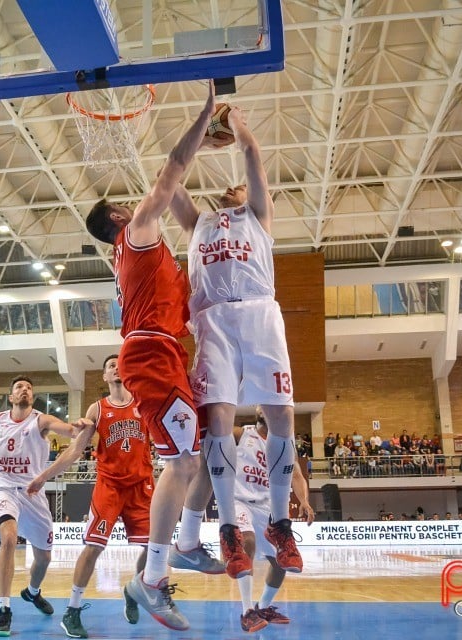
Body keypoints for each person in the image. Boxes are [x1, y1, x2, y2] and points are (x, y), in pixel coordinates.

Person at [84, 81, 218, 632]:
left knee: (209, 453)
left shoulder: (147, 247)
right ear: (119, 214)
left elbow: (182, 201)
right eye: (125, 203)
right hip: (150, 354)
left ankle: (185, 544)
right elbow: (170, 172)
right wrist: (205, 116)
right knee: (183, 462)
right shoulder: (137, 233)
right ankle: (154, 577)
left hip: (167, 352)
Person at [168, 103, 302, 580]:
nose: (235, 188)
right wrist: (201, 138)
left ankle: (281, 525)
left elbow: (253, 156)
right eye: (232, 188)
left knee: (281, 414)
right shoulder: (197, 223)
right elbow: (169, 178)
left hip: (259, 311)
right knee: (219, 419)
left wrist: (240, 130)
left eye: (241, 187)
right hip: (212, 321)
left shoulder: (259, 216)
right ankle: (227, 530)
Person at [26, 353, 155, 639]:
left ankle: (134, 589)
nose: (117, 368)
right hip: (109, 485)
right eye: (111, 366)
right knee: (94, 547)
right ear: (106, 377)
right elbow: (73, 451)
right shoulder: (97, 409)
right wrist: (42, 477)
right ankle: (71, 610)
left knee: (155, 547)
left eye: (121, 364)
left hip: (141, 485)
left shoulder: (144, 403)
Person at [0, 375, 78, 637]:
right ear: (11, 397)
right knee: (8, 538)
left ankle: (32, 592)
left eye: (29, 387)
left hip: (32, 490)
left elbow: (69, 430)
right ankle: (4, 609)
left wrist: (77, 428)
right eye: (19, 387)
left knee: (44, 557)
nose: (25, 390)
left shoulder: (41, 419)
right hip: (3, 485)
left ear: (32, 396)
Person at [232, 415, 313, 632]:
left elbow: (296, 476)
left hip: (268, 506)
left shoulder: (286, 443)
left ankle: (264, 607)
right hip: (240, 500)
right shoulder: (242, 433)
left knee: (280, 563)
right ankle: (247, 611)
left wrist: (304, 501)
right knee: (246, 541)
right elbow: (214, 432)